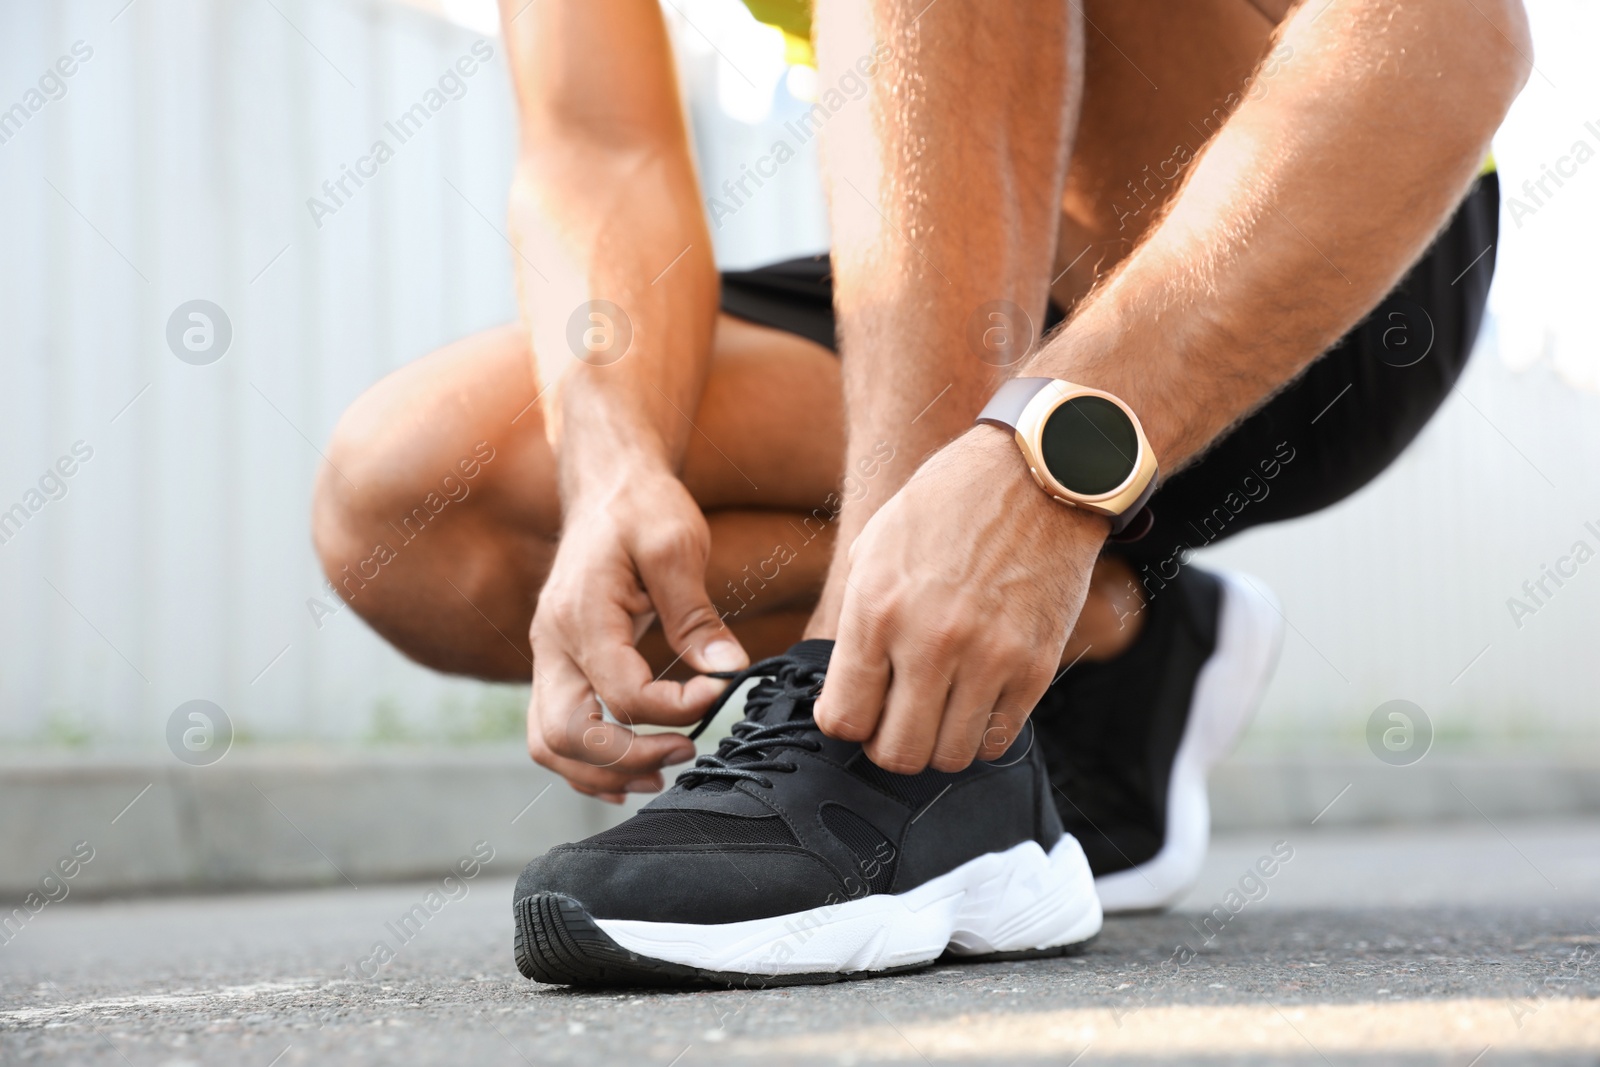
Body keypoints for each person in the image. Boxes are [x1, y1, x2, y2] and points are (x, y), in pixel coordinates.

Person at [313, 0, 1527, 986]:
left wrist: (1040, 462)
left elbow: (1455, 33)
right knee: (411, 505)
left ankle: (890, 751)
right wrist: (612, 462)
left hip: (1317, 264)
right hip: (972, 278)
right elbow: (600, 146)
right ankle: (1103, 654)